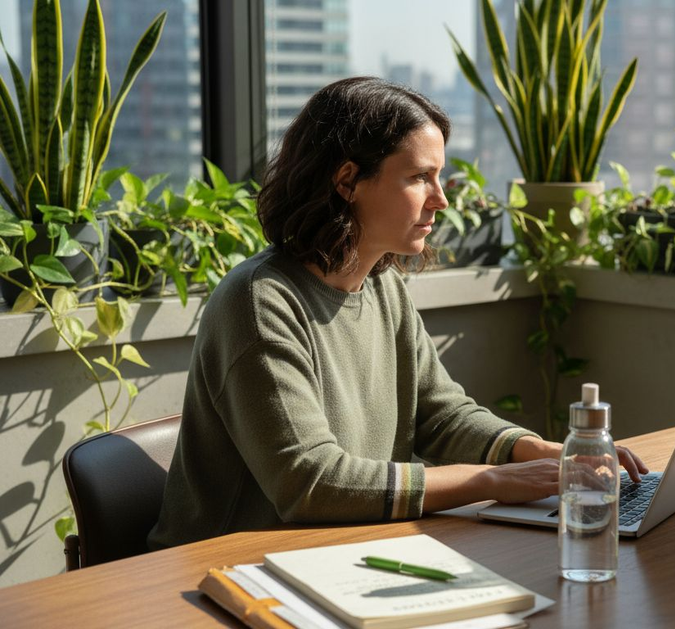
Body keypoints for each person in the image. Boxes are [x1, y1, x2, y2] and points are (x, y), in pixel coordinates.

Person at [148, 77, 647, 549]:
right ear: (347, 181)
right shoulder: (259, 302)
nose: (442, 199)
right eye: (419, 177)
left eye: (439, 177)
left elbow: (440, 414)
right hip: (220, 577)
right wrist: (495, 480)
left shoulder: (381, 285)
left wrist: (539, 452)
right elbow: (311, 482)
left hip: (338, 551)